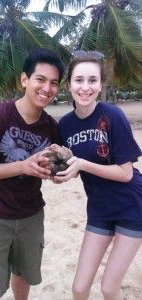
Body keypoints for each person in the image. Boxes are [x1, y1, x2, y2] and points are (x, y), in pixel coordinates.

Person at [0, 48, 64, 300]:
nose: (47, 88)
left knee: (23, 274)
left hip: (31, 216)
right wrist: (22, 166)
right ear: (25, 80)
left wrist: (56, 173)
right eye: (40, 79)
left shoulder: (51, 127)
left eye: (54, 83)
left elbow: (55, 168)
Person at [55, 51, 142, 300]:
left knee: (108, 288)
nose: (85, 87)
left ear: (101, 84)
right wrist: (58, 172)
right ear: (69, 84)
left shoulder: (112, 115)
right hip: (100, 210)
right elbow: (71, 167)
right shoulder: (65, 125)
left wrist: (82, 164)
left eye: (92, 80)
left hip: (131, 206)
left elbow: (126, 174)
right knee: (79, 288)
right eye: (79, 80)